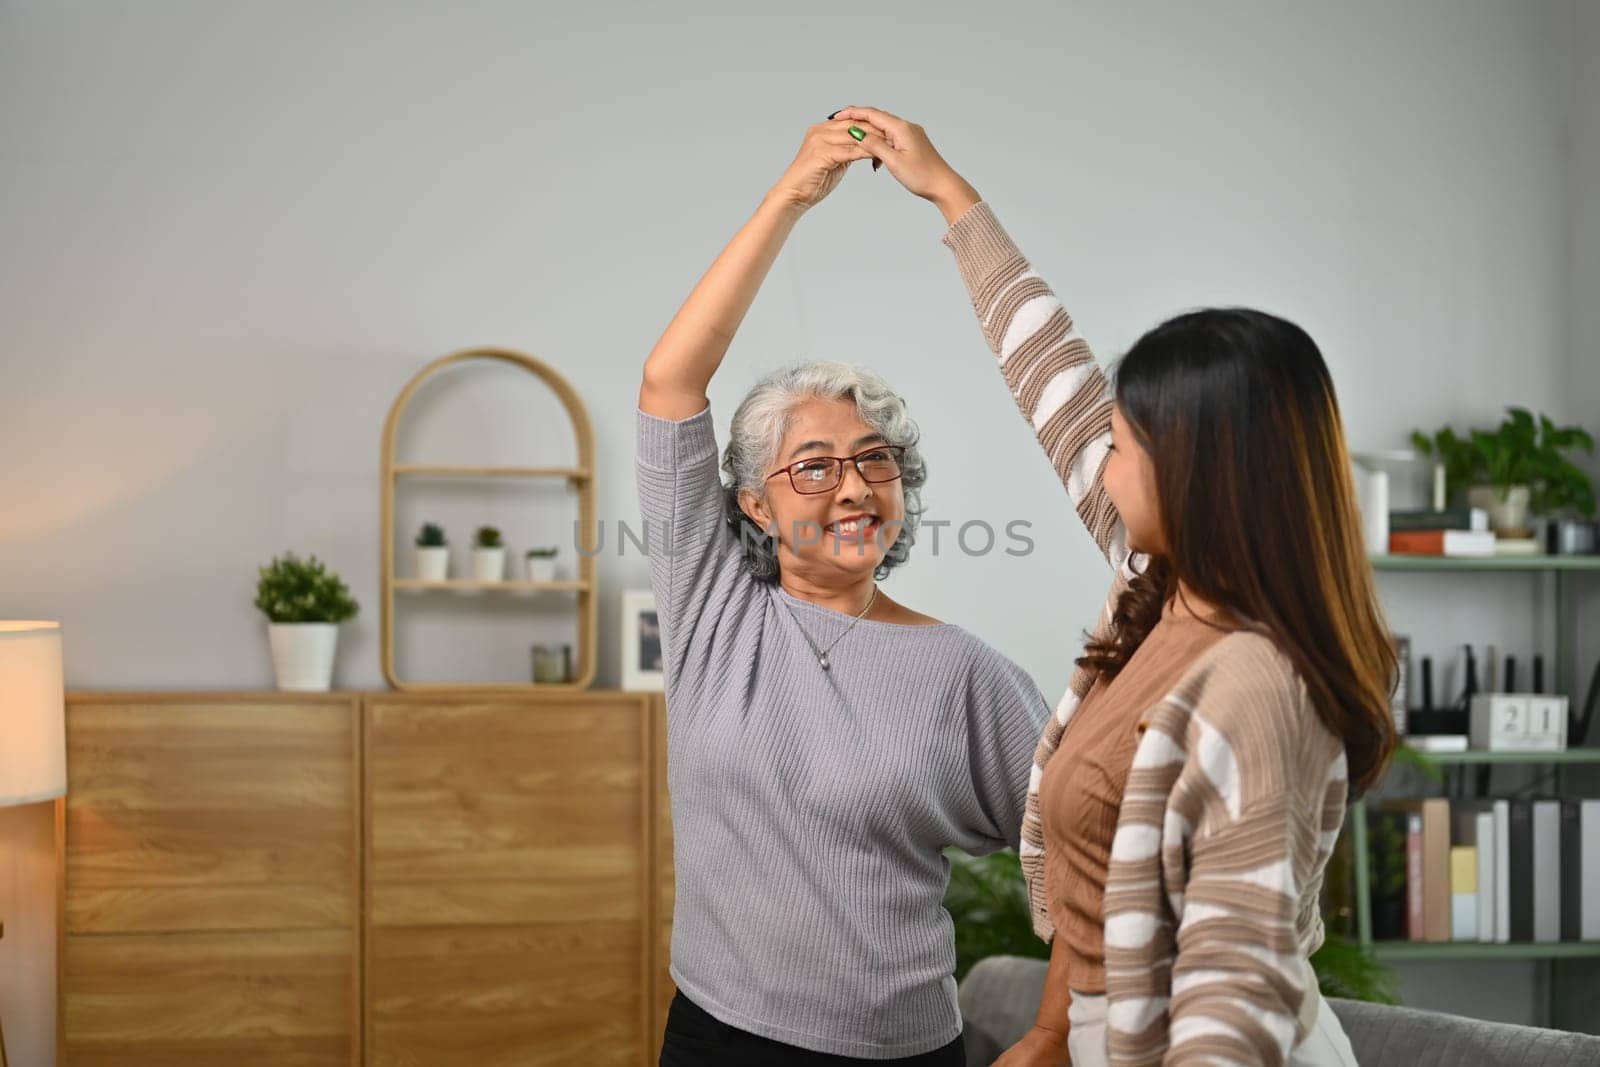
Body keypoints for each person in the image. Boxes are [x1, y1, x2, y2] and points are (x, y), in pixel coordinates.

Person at [834, 104, 1394, 1067]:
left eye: (1125, 445)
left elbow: (1229, 1008)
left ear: (1197, 475)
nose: (1099, 464)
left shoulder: (1254, 687)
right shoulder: (1161, 585)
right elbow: (1049, 373)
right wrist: (946, 191)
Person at [637, 117, 1049, 1066]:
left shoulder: (968, 674)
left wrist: (1060, 1027)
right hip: (718, 1037)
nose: (856, 485)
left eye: (875, 461)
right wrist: (792, 193)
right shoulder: (716, 615)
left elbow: (1086, 858)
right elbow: (670, 380)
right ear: (754, 502)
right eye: (815, 467)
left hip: (903, 1050)